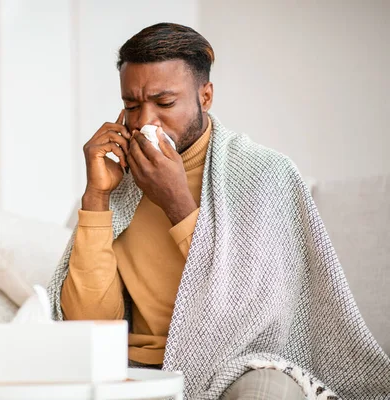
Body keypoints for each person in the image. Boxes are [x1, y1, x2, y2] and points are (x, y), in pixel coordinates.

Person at [48, 23, 390, 399]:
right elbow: (88, 328)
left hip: (240, 366)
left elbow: (250, 317)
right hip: (135, 374)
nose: (145, 121)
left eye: (164, 103)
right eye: (131, 105)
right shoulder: (118, 183)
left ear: (205, 96)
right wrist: (96, 198)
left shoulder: (264, 174)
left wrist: (177, 201)